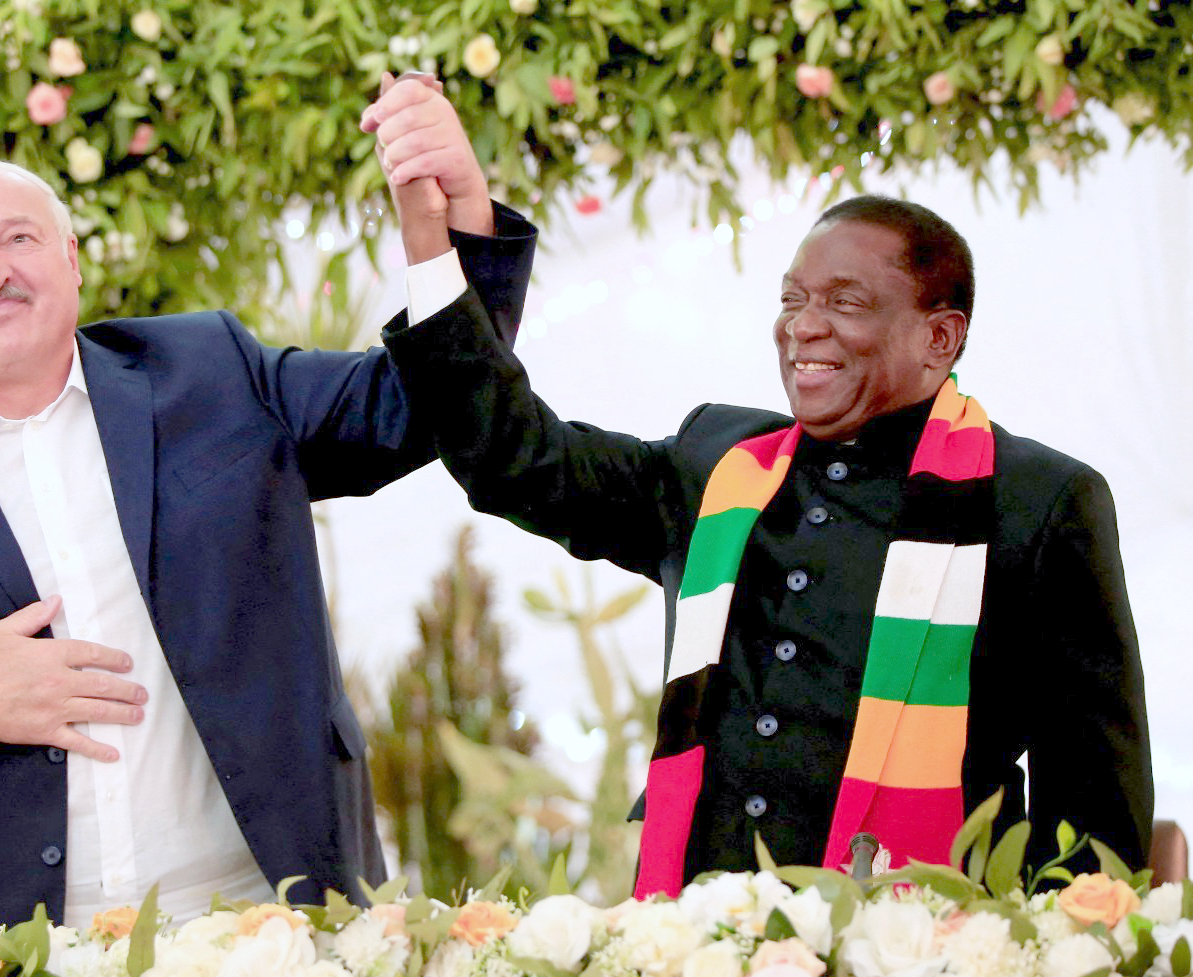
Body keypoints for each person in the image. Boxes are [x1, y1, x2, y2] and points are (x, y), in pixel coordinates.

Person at [0, 92, 536, 927]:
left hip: (264, 925)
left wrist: (456, 224)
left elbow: (421, 407)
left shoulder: (213, 371)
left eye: (19, 239)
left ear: (72, 260)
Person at [363, 84, 1153, 896]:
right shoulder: (716, 463)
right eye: (792, 299)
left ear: (940, 338)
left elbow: (1094, 810)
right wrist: (434, 240)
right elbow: (516, 457)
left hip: (920, 953)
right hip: (693, 942)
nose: (803, 325)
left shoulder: (1037, 502)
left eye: (845, 303)